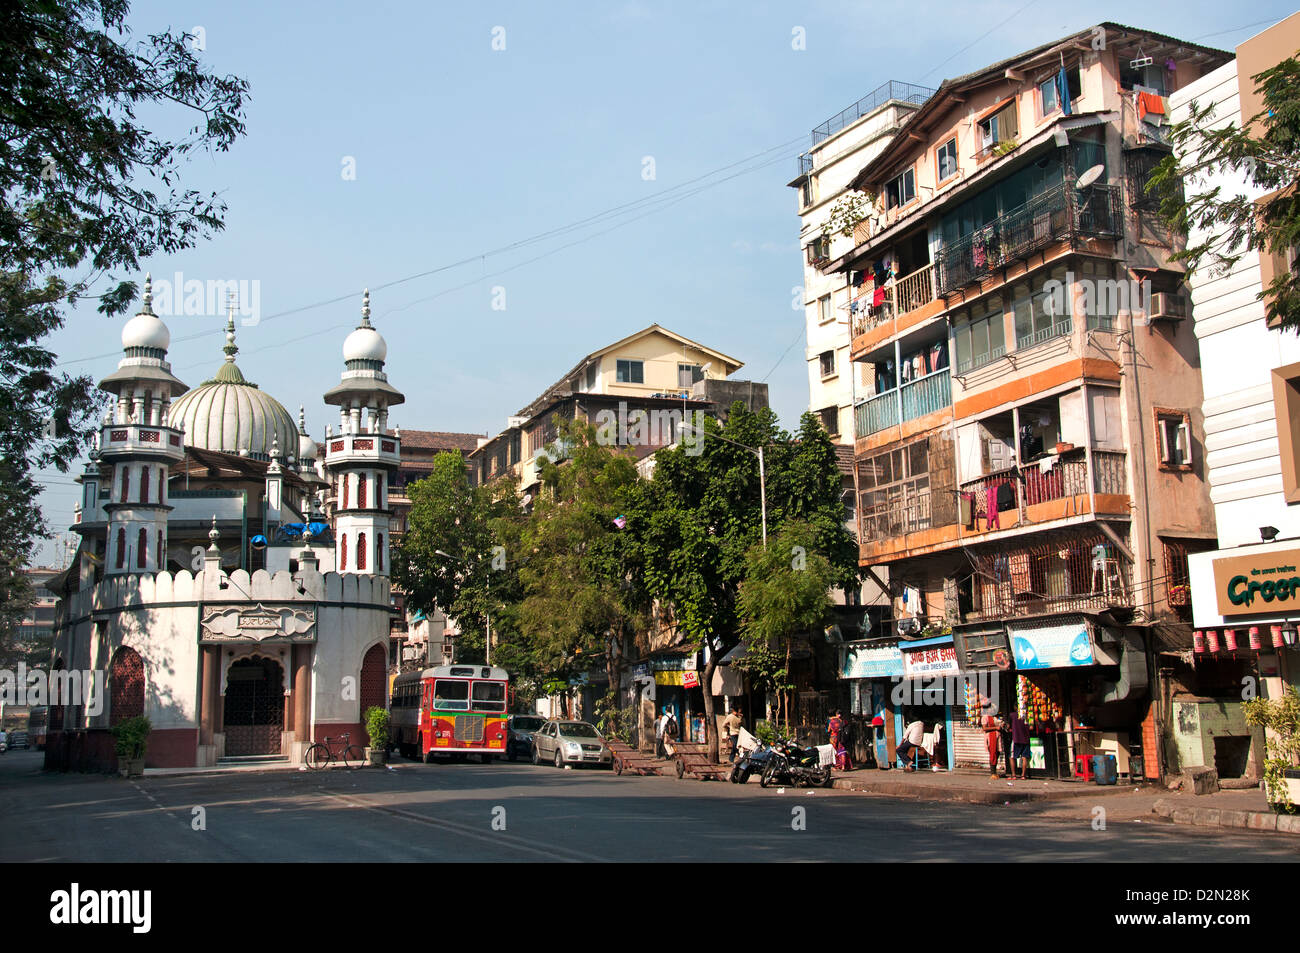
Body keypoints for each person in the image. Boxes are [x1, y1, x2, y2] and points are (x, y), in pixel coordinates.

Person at [1008, 709, 1031, 779]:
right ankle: (1023, 775)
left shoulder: (1012, 715)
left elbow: (1008, 726)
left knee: (1011, 757)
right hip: (1026, 739)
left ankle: (1014, 775)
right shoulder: (1028, 715)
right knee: (1024, 757)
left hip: (1016, 739)